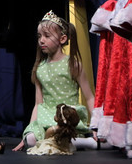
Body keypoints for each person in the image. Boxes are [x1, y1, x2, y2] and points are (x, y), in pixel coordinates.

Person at [13, 11, 96, 152]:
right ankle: (67, 143)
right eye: (39, 36)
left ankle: (84, 142)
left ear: (62, 39)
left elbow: (89, 97)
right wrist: (29, 130)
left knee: (61, 130)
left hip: (67, 116)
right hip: (46, 116)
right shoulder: (40, 68)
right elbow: (38, 104)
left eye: (47, 36)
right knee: (31, 139)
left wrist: (96, 126)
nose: (41, 40)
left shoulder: (73, 64)